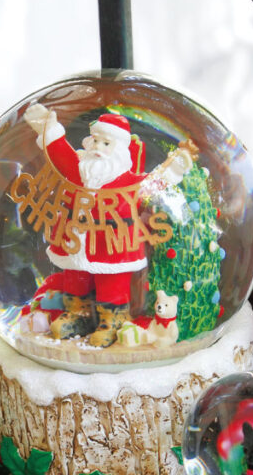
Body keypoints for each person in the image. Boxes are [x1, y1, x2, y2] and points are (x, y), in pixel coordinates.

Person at [22, 104, 158, 347]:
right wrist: (47, 129)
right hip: (76, 238)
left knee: (112, 282)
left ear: (119, 150)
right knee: (75, 276)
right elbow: (60, 154)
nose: (97, 148)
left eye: (106, 144)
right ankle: (78, 313)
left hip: (113, 244)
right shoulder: (79, 170)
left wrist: (174, 171)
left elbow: (152, 185)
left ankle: (112, 320)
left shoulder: (127, 180)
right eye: (95, 141)